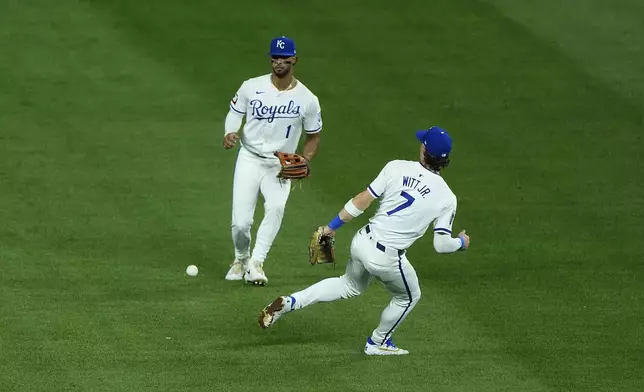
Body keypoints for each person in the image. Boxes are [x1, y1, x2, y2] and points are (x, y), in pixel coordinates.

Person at [258, 126, 470, 355]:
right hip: (387, 258)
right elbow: (441, 245)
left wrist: (331, 227)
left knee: (348, 285)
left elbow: (362, 200)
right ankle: (377, 342)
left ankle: (291, 302)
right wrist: (461, 242)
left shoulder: (396, 167)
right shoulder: (447, 197)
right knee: (408, 297)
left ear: (423, 150)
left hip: (362, 241)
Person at [223, 36, 323, 286]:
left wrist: (305, 159)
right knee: (240, 223)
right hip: (249, 158)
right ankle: (241, 258)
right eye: (274, 58)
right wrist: (229, 132)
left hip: (280, 166)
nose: (278, 62)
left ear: (294, 60)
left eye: (284, 58)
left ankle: (257, 262)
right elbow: (235, 113)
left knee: (276, 209)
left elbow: (314, 136)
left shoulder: (307, 99)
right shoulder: (251, 87)